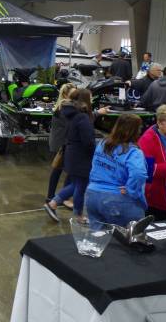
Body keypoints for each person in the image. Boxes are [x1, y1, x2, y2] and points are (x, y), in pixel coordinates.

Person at [85, 114, 148, 227]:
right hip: (116, 200)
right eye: (139, 128)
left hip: (92, 195)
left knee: (98, 239)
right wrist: (131, 189)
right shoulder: (133, 152)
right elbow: (139, 174)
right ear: (135, 131)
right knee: (128, 238)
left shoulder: (102, 144)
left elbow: (95, 165)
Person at [44, 88, 96, 222]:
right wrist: (95, 152)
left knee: (77, 184)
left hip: (72, 153)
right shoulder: (82, 116)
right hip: (81, 155)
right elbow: (88, 141)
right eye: (90, 98)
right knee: (80, 186)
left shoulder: (71, 113)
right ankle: (78, 215)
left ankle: (53, 203)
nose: (92, 100)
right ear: (84, 100)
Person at [46, 83, 77, 207]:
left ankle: (53, 197)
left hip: (59, 142)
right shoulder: (65, 107)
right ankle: (60, 198)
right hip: (61, 144)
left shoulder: (62, 105)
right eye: (74, 93)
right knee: (66, 171)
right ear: (65, 94)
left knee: (59, 170)